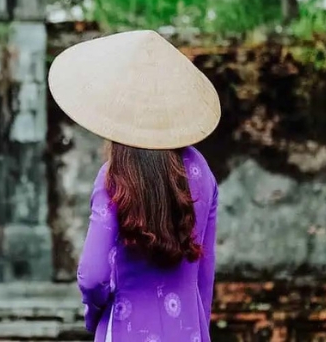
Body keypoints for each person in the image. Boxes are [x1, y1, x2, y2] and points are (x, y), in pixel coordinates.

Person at [48, 30, 221, 342]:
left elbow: (93, 275)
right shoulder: (201, 172)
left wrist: (95, 314)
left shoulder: (113, 175)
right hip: (188, 330)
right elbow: (204, 273)